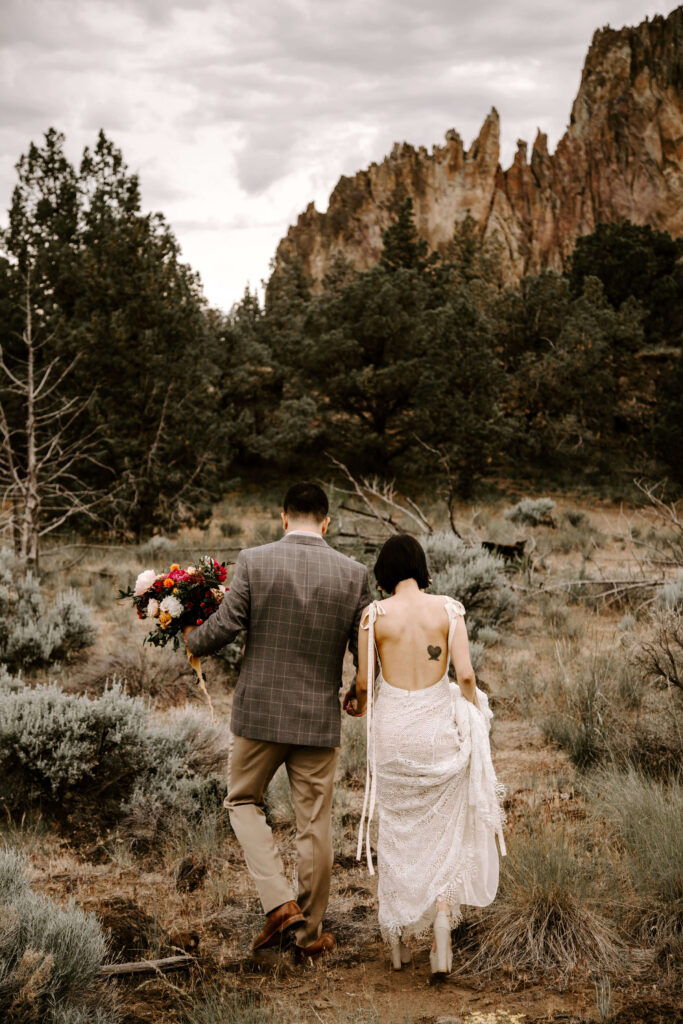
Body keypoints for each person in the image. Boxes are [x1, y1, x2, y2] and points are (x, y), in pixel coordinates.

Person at [185, 483, 371, 960]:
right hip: (317, 718)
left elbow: (223, 628)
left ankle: (279, 903)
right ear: (326, 522)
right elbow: (364, 646)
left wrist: (191, 635)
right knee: (315, 823)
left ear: (284, 517)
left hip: (260, 712)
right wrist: (357, 690)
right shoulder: (353, 574)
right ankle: (308, 937)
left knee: (242, 801)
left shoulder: (256, 560)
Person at [344, 534, 505, 976]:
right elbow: (467, 675)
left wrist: (357, 704)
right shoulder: (449, 610)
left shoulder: (373, 616)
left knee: (397, 829)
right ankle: (440, 924)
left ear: (383, 574)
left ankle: (396, 943)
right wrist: (474, 714)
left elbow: (363, 685)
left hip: (394, 732)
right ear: (421, 566)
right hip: (437, 730)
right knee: (443, 833)